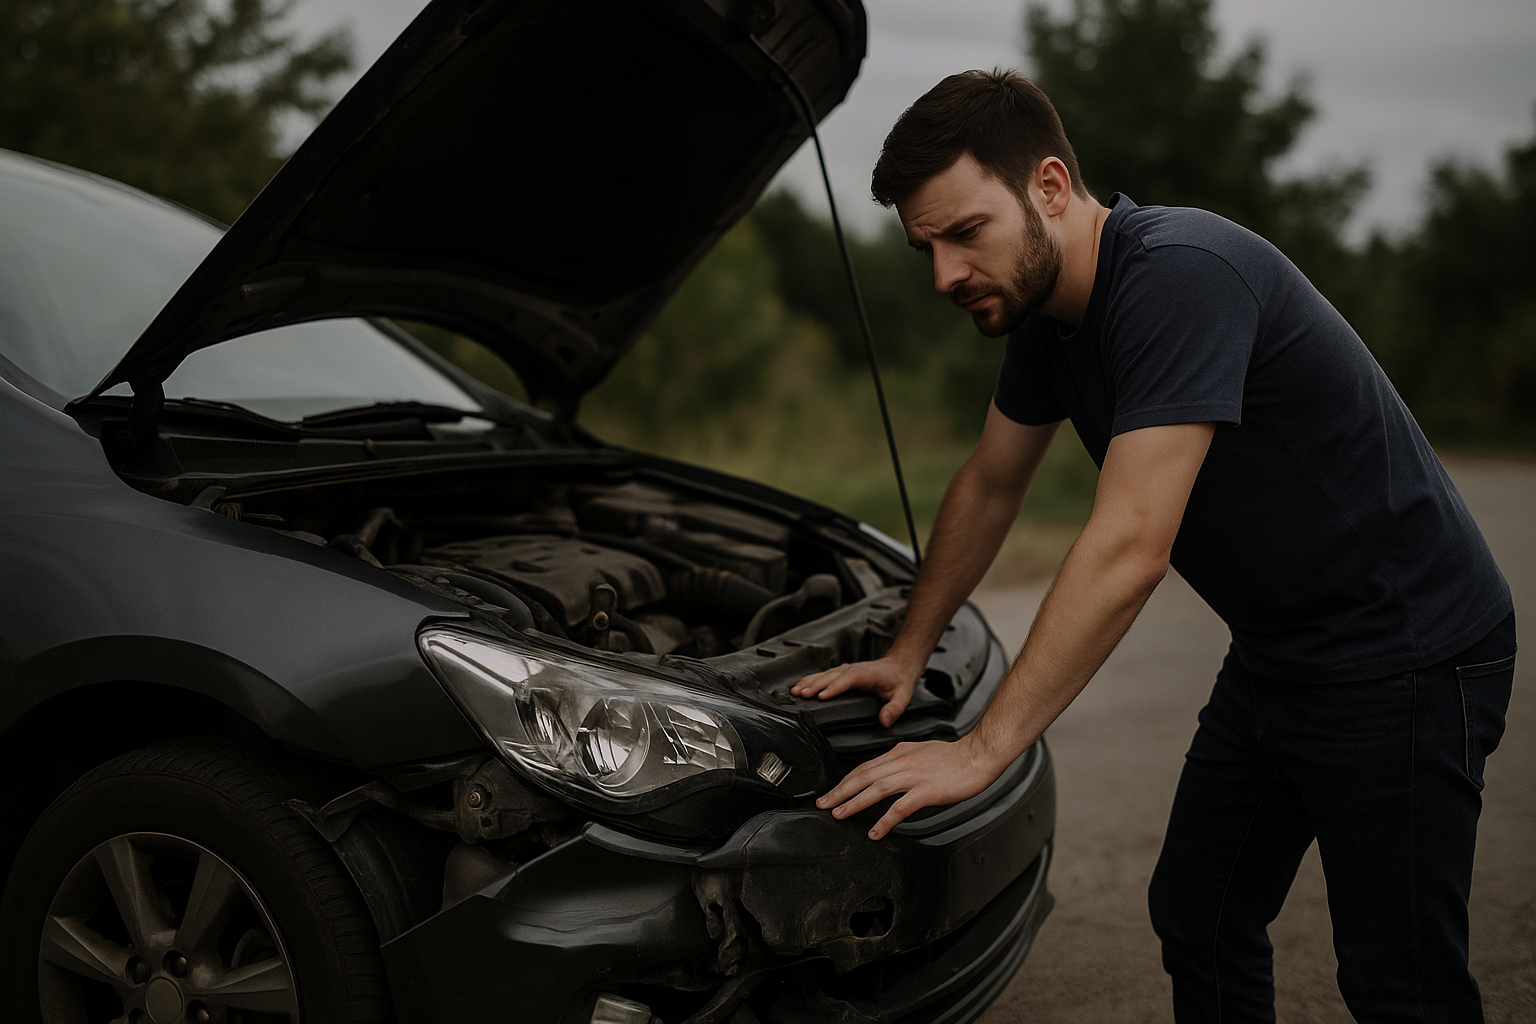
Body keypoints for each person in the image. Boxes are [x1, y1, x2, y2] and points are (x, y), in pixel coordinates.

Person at [790, 69, 1516, 1023]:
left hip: (1408, 655)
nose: (945, 276)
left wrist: (984, 750)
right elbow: (992, 481)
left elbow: (1132, 542)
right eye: (927, 247)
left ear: (1049, 187)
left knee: (1399, 981)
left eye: (966, 234)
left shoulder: (1179, 275)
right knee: (1200, 918)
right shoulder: (1047, 316)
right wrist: (905, 652)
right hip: (1282, 654)